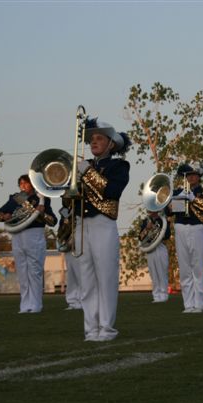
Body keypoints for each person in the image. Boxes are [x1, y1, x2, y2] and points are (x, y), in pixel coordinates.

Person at [74, 118, 130, 342]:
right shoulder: (83, 165)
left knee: (105, 278)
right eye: (92, 139)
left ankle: (106, 328)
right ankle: (91, 329)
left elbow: (111, 191)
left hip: (103, 224)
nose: (94, 142)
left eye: (99, 138)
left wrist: (87, 172)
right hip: (82, 224)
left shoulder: (119, 166)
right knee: (86, 280)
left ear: (111, 144)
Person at [0, 175, 57, 314]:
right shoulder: (15, 198)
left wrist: (41, 212)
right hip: (17, 234)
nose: (23, 186)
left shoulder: (41, 198)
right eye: (21, 183)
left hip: (34, 233)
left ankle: (36, 304)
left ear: (32, 184)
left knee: (34, 271)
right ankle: (24, 305)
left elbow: (53, 221)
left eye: (26, 183)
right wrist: (4, 216)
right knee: (22, 271)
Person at [171, 163, 203, 313]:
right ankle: (188, 304)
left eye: (194, 175)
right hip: (181, 227)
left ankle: (199, 304)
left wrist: (194, 198)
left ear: (199, 177)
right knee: (184, 267)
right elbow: (170, 212)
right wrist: (173, 202)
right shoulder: (178, 191)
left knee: (199, 267)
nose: (191, 177)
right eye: (188, 175)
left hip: (198, 227)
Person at [139, 209, 171, 303]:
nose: (150, 210)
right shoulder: (146, 221)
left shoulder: (162, 220)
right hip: (150, 248)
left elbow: (167, 235)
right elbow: (140, 238)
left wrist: (155, 228)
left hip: (160, 247)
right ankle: (156, 296)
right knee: (154, 274)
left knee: (162, 272)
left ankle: (164, 295)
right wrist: (147, 229)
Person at [57, 202, 82, 310]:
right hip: (69, 244)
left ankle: (83, 300)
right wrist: (61, 237)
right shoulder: (65, 211)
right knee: (71, 275)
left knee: (81, 274)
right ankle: (72, 301)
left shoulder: (80, 207)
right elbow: (62, 226)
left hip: (80, 242)